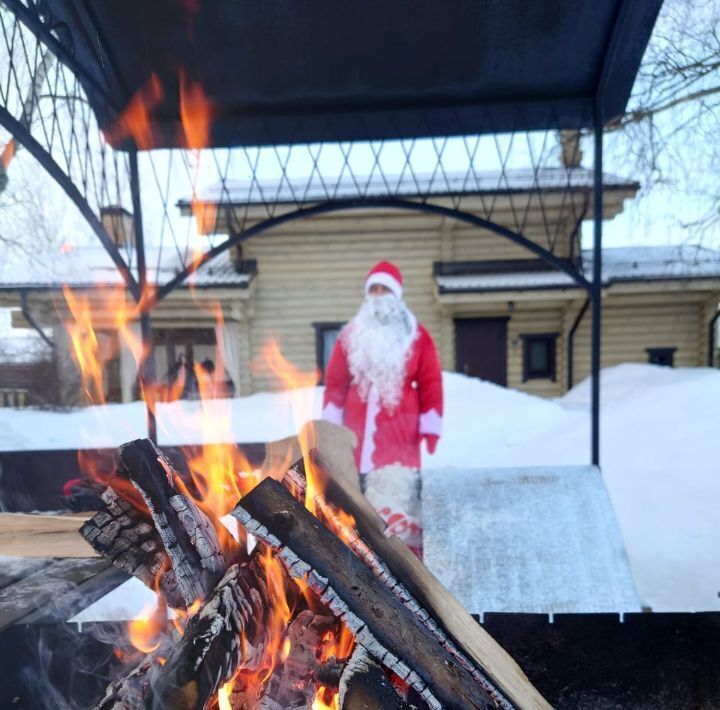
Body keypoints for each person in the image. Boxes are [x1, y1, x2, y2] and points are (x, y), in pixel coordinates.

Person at [322, 261, 443, 557]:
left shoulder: (416, 335)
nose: (378, 295)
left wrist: (430, 425)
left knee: (395, 494)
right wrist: (329, 428)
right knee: (356, 499)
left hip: (399, 435)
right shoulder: (352, 334)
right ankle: (364, 555)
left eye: (384, 289)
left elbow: (430, 380)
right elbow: (336, 382)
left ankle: (401, 557)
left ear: (396, 294)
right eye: (373, 289)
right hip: (354, 433)